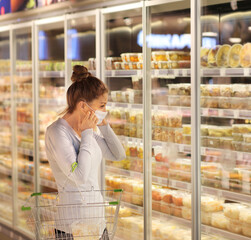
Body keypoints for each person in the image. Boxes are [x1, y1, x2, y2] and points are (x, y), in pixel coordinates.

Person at [45, 65, 126, 240]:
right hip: (72, 228)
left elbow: (118, 155)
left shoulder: (88, 130)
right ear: (83, 106)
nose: (105, 111)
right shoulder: (57, 132)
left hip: (98, 224)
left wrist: (104, 125)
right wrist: (89, 132)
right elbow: (79, 176)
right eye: (102, 106)